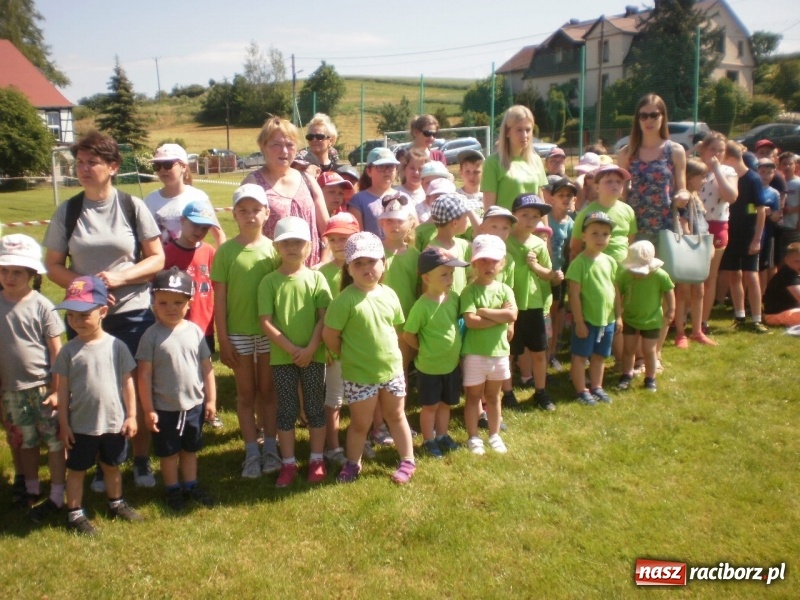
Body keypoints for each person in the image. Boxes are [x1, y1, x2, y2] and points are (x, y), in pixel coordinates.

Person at [43, 131, 165, 491]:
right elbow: (52, 264)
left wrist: (119, 277)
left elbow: (157, 258)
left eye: (91, 162)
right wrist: (90, 290)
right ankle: (103, 462)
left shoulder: (131, 206)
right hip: (85, 317)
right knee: (91, 392)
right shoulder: (68, 210)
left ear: (112, 166)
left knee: (138, 389)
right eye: (79, 162)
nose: (83, 169)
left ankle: (140, 461)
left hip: (134, 312)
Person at [322, 232, 417, 484]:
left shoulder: (389, 295)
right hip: (359, 374)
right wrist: (345, 354)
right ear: (349, 269)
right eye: (358, 263)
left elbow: (396, 330)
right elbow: (330, 334)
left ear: (383, 263)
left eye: (371, 261)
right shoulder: (344, 301)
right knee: (360, 424)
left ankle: (407, 460)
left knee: (396, 416)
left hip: (392, 371)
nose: (366, 268)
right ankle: (353, 464)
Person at [53, 276, 142, 536]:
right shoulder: (68, 351)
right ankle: (75, 513)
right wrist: (64, 424)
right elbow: (62, 390)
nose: (76, 321)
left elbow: (128, 384)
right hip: (80, 425)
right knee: (77, 469)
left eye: (83, 315)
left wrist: (132, 416)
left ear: (103, 311)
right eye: (70, 316)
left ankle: (116, 503)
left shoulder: (118, 347)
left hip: (113, 421)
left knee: (112, 466)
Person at [211, 184, 279, 479]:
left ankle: (272, 448)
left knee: (268, 391)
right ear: (234, 214)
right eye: (243, 211)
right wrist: (223, 339)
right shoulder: (225, 252)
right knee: (245, 394)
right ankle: (251, 451)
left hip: (268, 333)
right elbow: (220, 298)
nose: (250, 216)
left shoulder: (276, 250)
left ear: (266, 213)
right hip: (237, 333)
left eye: (255, 210)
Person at [259, 217, 331, 487]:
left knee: (314, 408)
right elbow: (265, 321)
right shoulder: (269, 282)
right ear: (277, 247)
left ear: (309, 246)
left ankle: (316, 459)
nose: (292, 247)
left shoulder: (316, 278)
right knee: (286, 410)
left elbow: (324, 317)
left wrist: (311, 348)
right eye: (285, 242)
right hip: (282, 358)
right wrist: (292, 349)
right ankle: (288, 464)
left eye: (297, 242)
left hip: (314, 356)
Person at [136, 268, 216, 510]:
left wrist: (211, 401)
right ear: (153, 303)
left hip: (193, 405)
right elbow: (144, 375)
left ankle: (190, 484)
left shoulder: (195, 332)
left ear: (189, 303)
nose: (171, 308)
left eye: (178, 302)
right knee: (169, 453)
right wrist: (149, 409)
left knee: (190, 449)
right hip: (164, 408)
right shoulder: (150, 336)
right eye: (163, 302)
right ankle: (172, 489)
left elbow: (207, 368)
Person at [0, 235, 65, 520]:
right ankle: (30, 488)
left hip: (42, 387)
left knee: (53, 442)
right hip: (10, 390)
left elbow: (56, 352)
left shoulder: (42, 306)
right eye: (4, 270)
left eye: (17, 271)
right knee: (24, 442)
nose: (9, 276)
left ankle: (58, 492)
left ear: (31, 274)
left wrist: (57, 389)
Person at [403, 247, 469, 458]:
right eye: (443, 274)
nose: (449, 278)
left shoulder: (455, 298)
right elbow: (409, 334)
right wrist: (424, 349)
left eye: (451, 274)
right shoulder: (421, 306)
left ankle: (442, 435)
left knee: (445, 404)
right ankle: (428, 440)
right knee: (430, 406)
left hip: (450, 364)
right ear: (426, 278)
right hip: (429, 367)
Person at [243, 117, 329, 266]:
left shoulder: (309, 181)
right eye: (276, 144)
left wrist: (324, 262)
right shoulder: (253, 183)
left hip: (312, 272)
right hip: (271, 272)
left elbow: (328, 230)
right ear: (263, 146)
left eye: (290, 145)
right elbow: (247, 234)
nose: (284, 151)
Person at [460, 234, 518, 455]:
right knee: (473, 397)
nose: (488, 265)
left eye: (494, 261)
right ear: (474, 263)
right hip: (475, 353)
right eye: (483, 260)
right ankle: (473, 436)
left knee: (494, 396)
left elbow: (512, 315)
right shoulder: (470, 291)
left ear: (501, 263)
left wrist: (485, 312)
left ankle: (494, 434)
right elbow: (471, 321)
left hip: (499, 352)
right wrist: (498, 317)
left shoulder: (505, 289)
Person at [315, 213, 362, 467]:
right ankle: (333, 446)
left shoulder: (364, 270)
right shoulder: (321, 273)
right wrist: (327, 347)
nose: (338, 244)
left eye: (345, 238)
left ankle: (360, 440)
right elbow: (320, 316)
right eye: (333, 239)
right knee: (333, 400)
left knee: (361, 398)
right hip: (333, 348)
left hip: (359, 346)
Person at [506, 194, 560, 411]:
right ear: (513, 216)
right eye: (524, 215)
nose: (530, 220)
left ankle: (540, 391)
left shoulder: (539, 243)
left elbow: (548, 274)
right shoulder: (504, 241)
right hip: (511, 307)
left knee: (538, 352)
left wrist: (542, 269)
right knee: (509, 353)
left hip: (535, 305)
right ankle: (508, 393)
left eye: (535, 216)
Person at [617, 93, 689, 245]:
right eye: (643, 116)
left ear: (663, 117)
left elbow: (682, 188)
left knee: (664, 269)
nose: (648, 120)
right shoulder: (626, 153)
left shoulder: (675, 150)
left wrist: (683, 195)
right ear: (637, 119)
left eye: (654, 115)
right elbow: (621, 192)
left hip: (666, 227)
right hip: (634, 227)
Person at [566, 212, 620, 406]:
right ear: (584, 236)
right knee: (581, 356)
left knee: (600, 356)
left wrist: (618, 316)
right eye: (595, 233)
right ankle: (581, 390)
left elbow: (615, 290)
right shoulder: (579, 263)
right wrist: (579, 322)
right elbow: (574, 295)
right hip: (587, 319)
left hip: (607, 320)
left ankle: (597, 386)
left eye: (605, 234)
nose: (600, 238)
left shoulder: (610, 261)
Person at [720, 144, 768, 333]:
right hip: (731, 232)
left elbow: (761, 209)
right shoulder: (726, 178)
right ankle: (739, 315)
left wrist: (757, 238)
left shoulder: (752, 178)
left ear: (731, 159)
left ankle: (756, 318)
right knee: (734, 274)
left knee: (751, 275)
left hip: (749, 234)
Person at [617, 242, 676, 392]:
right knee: (629, 348)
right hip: (630, 318)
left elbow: (669, 291)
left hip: (652, 320)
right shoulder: (625, 276)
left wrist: (671, 310)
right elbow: (618, 293)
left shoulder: (660, 275)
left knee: (649, 350)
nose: (637, 274)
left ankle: (650, 378)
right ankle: (626, 375)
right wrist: (618, 313)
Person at [144, 143, 225, 247]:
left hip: (193, 262)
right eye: (157, 166)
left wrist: (219, 261)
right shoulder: (149, 201)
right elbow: (144, 239)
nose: (162, 169)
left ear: (183, 167)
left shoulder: (198, 197)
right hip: (162, 262)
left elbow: (219, 235)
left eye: (168, 164)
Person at [697, 132, 739, 333]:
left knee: (710, 276)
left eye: (721, 150)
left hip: (717, 226)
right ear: (704, 149)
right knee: (690, 275)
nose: (716, 153)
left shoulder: (728, 171)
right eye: (712, 149)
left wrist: (716, 170)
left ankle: (703, 320)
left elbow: (731, 197)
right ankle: (684, 315)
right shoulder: (695, 168)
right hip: (695, 225)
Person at [673, 159, 716, 347]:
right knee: (682, 291)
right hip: (688, 249)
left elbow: (702, 224)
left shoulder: (696, 196)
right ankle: (680, 332)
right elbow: (683, 223)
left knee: (699, 290)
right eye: (702, 177)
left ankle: (697, 331)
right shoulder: (684, 199)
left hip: (699, 247)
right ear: (689, 178)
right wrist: (691, 243)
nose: (705, 181)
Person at [379, 196, 420, 388]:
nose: (394, 225)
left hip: (406, 320)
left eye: (399, 221)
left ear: (411, 223)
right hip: (380, 319)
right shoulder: (375, 252)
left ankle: (397, 410)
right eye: (389, 220)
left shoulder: (416, 256)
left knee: (400, 366)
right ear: (382, 222)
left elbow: (420, 288)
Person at [482, 105, 548, 212]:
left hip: (532, 228)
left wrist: (546, 228)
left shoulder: (536, 161)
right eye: (519, 130)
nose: (524, 135)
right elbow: (489, 209)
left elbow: (541, 201)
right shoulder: (492, 163)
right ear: (507, 132)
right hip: (506, 228)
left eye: (528, 130)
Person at [570, 165, 637, 264]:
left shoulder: (628, 210)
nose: (615, 185)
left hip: (623, 271)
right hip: (596, 270)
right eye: (609, 181)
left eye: (619, 181)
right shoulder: (586, 213)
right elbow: (576, 247)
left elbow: (631, 240)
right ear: (597, 187)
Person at [545, 177, 576, 368]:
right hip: (541, 273)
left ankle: (552, 352)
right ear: (552, 198)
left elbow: (570, 250)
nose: (565, 198)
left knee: (556, 313)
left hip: (559, 274)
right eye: (561, 195)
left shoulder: (570, 223)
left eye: (569, 195)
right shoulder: (545, 218)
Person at [348, 147, 400, 237]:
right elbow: (357, 237)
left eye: (391, 166)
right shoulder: (358, 201)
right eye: (381, 167)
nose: (387, 170)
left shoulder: (404, 198)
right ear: (369, 171)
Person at [427, 193, 472, 295]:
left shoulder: (463, 245)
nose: (468, 220)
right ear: (455, 223)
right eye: (466, 217)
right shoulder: (433, 252)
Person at [756, 157, 783, 291]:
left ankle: (765, 295)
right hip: (750, 231)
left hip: (767, 234)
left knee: (765, 267)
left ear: (773, 174)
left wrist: (770, 213)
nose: (765, 175)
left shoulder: (773, 193)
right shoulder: (750, 189)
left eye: (769, 172)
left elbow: (777, 217)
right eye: (762, 172)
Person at [763, 242, 800, 327]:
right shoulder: (788, 274)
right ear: (786, 260)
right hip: (775, 315)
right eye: (796, 261)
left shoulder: (795, 272)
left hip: (791, 311)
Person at [457, 149, 485, 217]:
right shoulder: (455, 196)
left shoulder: (487, 197)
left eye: (476, 172)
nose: (471, 176)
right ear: (461, 173)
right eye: (467, 171)